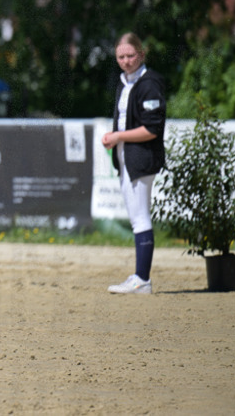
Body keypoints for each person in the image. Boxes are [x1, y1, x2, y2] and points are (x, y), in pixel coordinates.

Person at [101, 33, 167, 294]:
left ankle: (142, 278)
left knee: (140, 218)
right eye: (121, 57)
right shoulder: (124, 82)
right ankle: (140, 277)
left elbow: (152, 128)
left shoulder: (149, 83)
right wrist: (114, 137)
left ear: (141, 54)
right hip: (125, 157)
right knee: (137, 217)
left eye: (130, 56)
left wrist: (118, 136)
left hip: (141, 157)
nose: (126, 61)